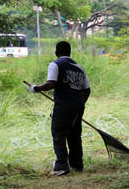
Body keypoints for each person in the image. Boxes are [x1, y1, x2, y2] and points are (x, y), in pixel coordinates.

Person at [29, 41, 91, 176]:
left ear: (56, 52)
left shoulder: (55, 64)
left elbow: (51, 84)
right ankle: (77, 165)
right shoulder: (80, 68)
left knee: (58, 133)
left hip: (63, 105)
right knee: (75, 134)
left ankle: (62, 166)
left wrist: (36, 88)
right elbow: (87, 90)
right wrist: (79, 103)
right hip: (78, 105)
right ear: (70, 52)